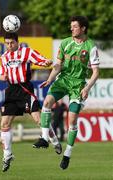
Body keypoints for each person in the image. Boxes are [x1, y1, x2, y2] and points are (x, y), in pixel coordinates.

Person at [33, 15, 99, 170]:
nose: (72, 29)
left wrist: (87, 87)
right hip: (63, 80)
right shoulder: (65, 43)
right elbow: (58, 65)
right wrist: (50, 79)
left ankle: (68, 153)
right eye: (71, 26)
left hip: (78, 85)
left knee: (72, 120)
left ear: (83, 28)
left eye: (75, 26)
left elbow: (96, 72)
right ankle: (44, 138)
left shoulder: (90, 46)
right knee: (47, 103)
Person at [0, 32, 62, 172]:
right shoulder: (3, 57)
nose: (9, 46)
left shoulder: (26, 52)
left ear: (17, 42)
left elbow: (40, 59)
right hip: (11, 91)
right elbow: (1, 74)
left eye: (12, 43)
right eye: (7, 43)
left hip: (25, 89)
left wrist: (46, 62)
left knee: (39, 120)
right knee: (4, 123)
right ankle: (7, 155)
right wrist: (4, 76)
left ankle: (55, 141)